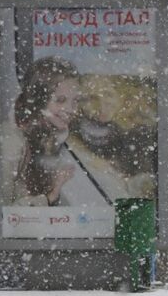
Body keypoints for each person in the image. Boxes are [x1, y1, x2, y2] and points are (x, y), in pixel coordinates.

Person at [10, 57, 149, 208]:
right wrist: (49, 197)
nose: (71, 110)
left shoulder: (131, 138)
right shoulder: (15, 143)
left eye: (74, 101)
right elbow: (5, 216)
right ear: (38, 100)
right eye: (60, 100)